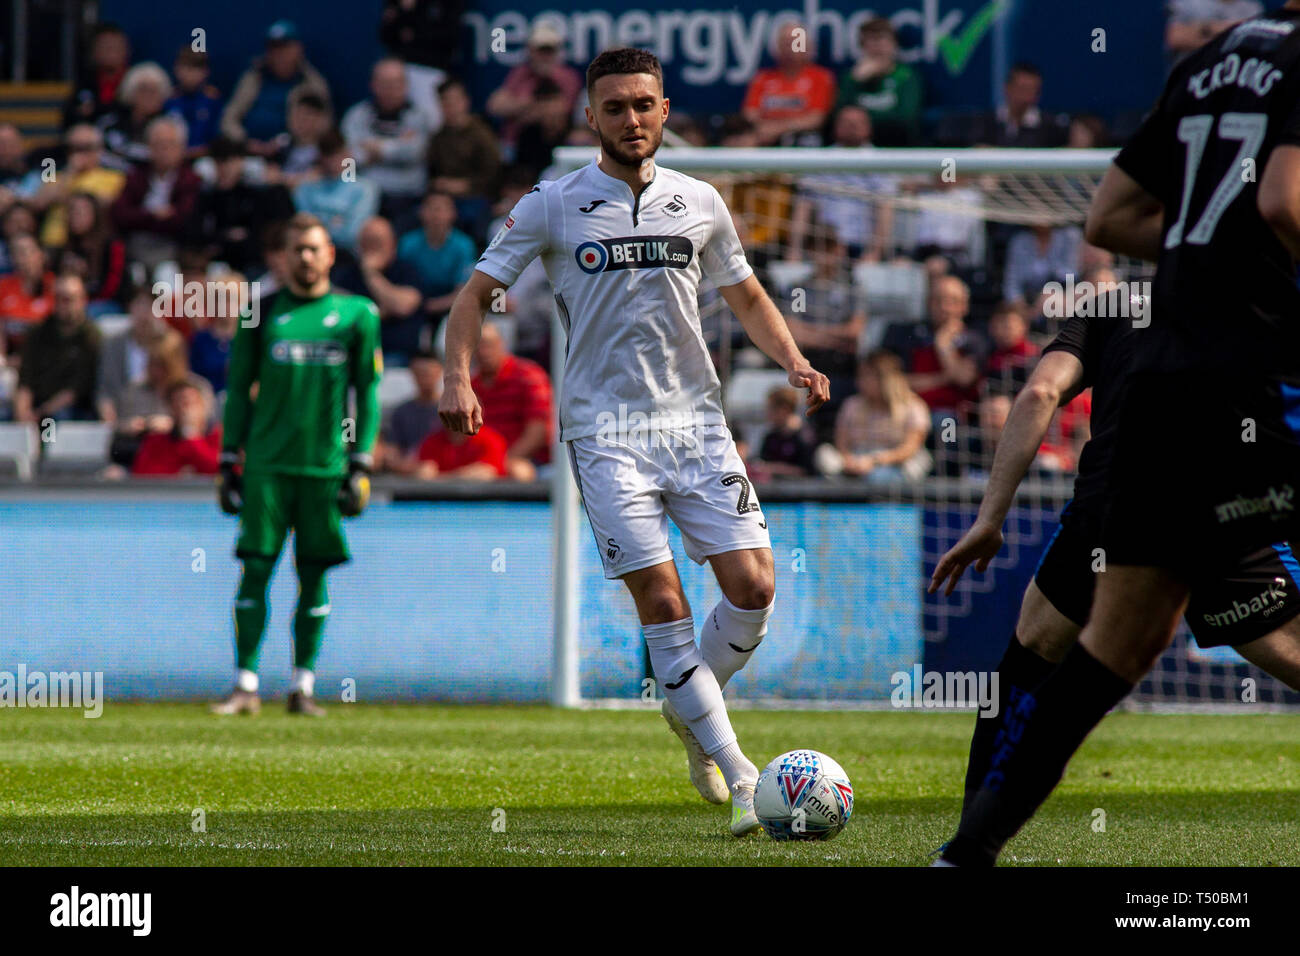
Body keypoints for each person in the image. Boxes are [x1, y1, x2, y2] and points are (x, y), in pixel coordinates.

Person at [934, 0, 1300, 867]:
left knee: (1111, 651)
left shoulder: (1208, 61)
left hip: (1168, 407)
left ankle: (965, 854)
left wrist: (1207, 262)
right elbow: (1286, 201)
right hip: (1260, 380)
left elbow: (1106, 220)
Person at [438, 47, 830, 836]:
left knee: (754, 588)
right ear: (590, 116)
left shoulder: (702, 201)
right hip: (606, 434)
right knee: (662, 600)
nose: (630, 118)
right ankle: (742, 769)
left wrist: (791, 357)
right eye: (613, 106)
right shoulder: (551, 204)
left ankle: (688, 712)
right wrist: (457, 376)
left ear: (665, 108)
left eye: (642, 103)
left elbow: (747, 292)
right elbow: (474, 296)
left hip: (697, 423)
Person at [930, 302, 1300, 840]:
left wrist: (991, 518)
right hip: (1221, 507)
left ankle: (971, 841)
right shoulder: (1259, 304)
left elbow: (1039, 393)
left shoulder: (1115, 307)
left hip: (1113, 506)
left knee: (1029, 660)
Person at [212, 212, 381, 717]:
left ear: (330, 255)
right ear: (283, 258)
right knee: (255, 569)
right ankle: (245, 685)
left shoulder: (358, 314)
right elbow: (238, 390)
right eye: (297, 249)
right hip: (265, 467)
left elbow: (367, 392)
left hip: (325, 470)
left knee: (314, 574)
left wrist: (361, 462)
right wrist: (227, 459)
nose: (306, 257)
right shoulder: (258, 313)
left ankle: (302, 686)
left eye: (314, 248)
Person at [341, 58, 433, 222]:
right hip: (365, 197)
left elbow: (415, 152)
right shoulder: (356, 115)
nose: (391, 89)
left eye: (396, 83)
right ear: (373, 85)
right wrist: (397, 147)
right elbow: (348, 157)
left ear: (406, 85)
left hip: (408, 198)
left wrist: (378, 149)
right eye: (385, 83)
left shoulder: (419, 117)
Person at [221, 20, 331, 156]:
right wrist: (246, 142)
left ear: (298, 49)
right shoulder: (253, 77)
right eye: (273, 48)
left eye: (284, 47)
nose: (278, 54)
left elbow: (324, 126)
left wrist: (286, 142)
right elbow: (229, 118)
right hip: (247, 153)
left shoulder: (312, 83)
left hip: (295, 156)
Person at [110, 115, 201, 271]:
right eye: (158, 145)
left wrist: (142, 217)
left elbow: (183, 218)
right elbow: (120, 213)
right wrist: (152, 215)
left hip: (173, 247)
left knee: (166, 275)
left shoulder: (191, 179)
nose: (164, 151)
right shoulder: (137, 176)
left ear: (181, 148)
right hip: (135, 244)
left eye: (169, 144)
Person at [331, 215, 424, 361]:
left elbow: (402, 306)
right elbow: (341, 315)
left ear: (392, 244)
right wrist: (381, 309)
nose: (372, 247)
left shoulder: (407, 271)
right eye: (367, 241)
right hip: (354, 355)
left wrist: (371, 273)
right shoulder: (345, 274)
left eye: (378, 242)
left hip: (399, 357)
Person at [485, 22, 582, 161]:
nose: (545, 56)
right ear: (531, 51)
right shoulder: (520, 74)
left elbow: (558, 111)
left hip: (555, 142)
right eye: (541, 50)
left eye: (549, 51)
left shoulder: (567, 77)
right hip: (516, 143)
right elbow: (494, 106)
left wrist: (521, 109)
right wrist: (527, 105)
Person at [12, 273, 102, 423]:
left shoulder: (92, 337)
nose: (62, 304)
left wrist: (40, 414)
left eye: (68, 299)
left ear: (83, 300)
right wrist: (22, 414)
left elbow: (77, 389)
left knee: (60, 418)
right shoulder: (38, 332)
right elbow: (25, 380)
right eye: (58, 298)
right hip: (37, 404)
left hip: (74, 408)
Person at [470, 320, 552, 480]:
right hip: (488, 462)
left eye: (488, 344)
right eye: (477, 346)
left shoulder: (528, 376)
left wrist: (501, 462)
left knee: (518, 471)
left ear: (502, 344)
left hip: (531, 461)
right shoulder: (472, 384)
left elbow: (538, 433)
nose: (483, 352)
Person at [831, 350, 930, 483]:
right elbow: (841, 443)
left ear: (886, 379)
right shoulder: (851, 405)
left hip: (895, 464)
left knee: (880, 475)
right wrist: (850, 461)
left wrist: (874, 461)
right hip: (857, 458)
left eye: (867, 376)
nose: (860, 382)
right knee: (826, 460)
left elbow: (910, 448)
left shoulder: (914, 406)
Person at [738, 21, 835, 147]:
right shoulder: (763, 78)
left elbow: (816, 119)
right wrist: (765, 128)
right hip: (765, 136)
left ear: (809, 47)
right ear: (776, 47)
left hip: (803, 138)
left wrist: (779, 128)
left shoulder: (821, 77)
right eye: (786, 43)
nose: (791, 48)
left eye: (796, 43)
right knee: (743, 143)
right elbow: (750, 112)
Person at [426, 78, 501, 239]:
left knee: (473, 218)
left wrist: (464, 186)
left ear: (465, 102)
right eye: (445, 102)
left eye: (454, 101)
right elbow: (432, 172)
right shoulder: (438, 137)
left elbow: (494, 175)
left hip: (476, 197)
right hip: (444, 197)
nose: (450, 107)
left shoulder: (482, 135)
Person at [836, 17, 923, 147]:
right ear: (862, 45)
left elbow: (906, 118)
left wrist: (862, 123)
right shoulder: (851, 77)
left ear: (894, 44)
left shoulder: (906, 76)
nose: (877, 46)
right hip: (856, 146)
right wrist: (856, 82)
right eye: (870, 40)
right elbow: (840, 117)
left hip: (896, 145)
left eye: (882, 39)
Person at [293, 129, 380, 254]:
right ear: (320, 157)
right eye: (328, 154)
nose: (333, 160)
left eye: (338, 153)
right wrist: (335, 222)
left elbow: (352, 235)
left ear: (348, 152)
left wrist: (321, 222)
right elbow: (304, 229)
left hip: (348, 257)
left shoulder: (365, 188)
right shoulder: (306, 187)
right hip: (312, 252)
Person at [396, 188, 475, 325]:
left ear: (453, 214)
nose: (436, 215)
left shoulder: (464, 246)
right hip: (413, 303)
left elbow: (463, 291)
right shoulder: (408, 243)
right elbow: (401, 283)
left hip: (451, 307)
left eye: (442, 209)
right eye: (431, 208)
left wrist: (430, 307)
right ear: (421, 212)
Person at [131, 378, 222, 476]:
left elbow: (221, 469)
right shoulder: (156, 440)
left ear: (203, 405)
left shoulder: (218, 435)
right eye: (180, 403)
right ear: (170, 408)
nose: (186, 410)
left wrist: (191, 435)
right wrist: (178, 473)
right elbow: (142, 474)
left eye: (191, 403)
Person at [376, 348, 442, 473]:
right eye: (420, 373)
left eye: (428, 373)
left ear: (439, 372)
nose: (425, 379)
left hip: (443, 470)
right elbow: (392, 450)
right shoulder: (402, 412)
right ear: (412, 374)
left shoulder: (450, 409)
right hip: (409, 472)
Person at [63, 23, 131, 127]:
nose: (111, 52)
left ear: (126, 50)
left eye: (115, 47)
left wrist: (95, 109)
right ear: (94, 51)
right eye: (106, 47)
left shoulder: (136, 80)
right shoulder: (85, 82)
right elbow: (71, 115)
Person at [750, 386, 817, 480]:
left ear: (784, 409)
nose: (767, 413)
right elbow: (762, 463)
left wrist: (774, 469)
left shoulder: (804, 437)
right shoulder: (770, 437)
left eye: (771, 409)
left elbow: (806, 471)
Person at [165, 47, 223, 154]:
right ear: (176, 69)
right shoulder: (169, 99)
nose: (190, 74)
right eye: (185, 67)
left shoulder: (212, 100)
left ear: (206, 72)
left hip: (202, 158)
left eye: (195, 68)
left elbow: (216, 137)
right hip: (170, 156)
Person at [415, 420, 507, 479]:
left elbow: (485, 474)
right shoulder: (431, 442)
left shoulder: (491, 439)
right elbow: (424, 475)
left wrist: (440, 477)